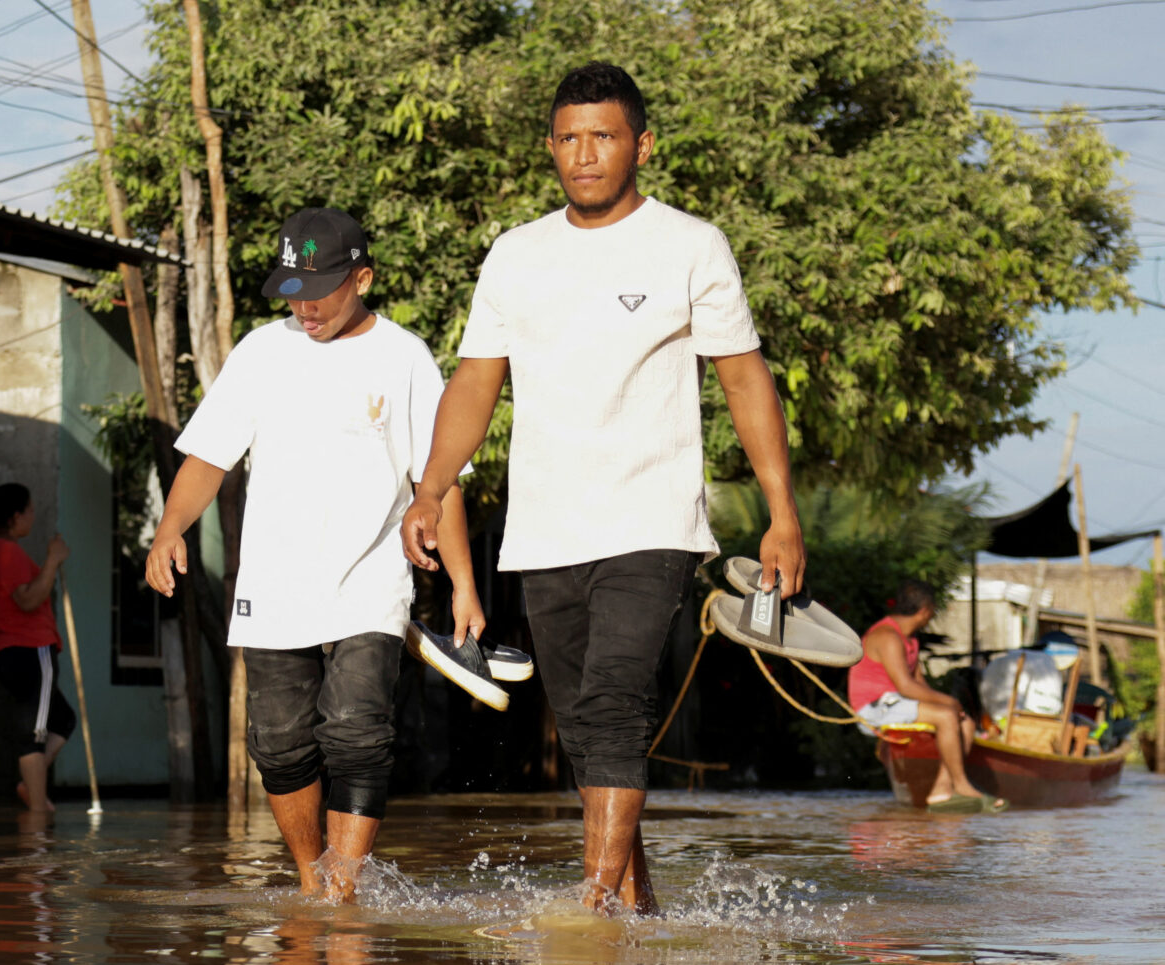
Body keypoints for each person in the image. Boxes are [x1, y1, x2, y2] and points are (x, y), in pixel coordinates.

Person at [401, 61, 806, 916]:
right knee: (586, 728)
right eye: (569, 138)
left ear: (641, 145)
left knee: (618, 700)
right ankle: (639, 910)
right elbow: (476, 382)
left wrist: (781, 513)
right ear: (551, 147)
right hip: (547, 528)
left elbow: (742, 377)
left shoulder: (691, 245)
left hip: (652, 519)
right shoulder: (516, 254)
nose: (584, 154)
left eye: (605, 136)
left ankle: (593, 909)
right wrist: (432, 486)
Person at [145, 208, 481, 903]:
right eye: (294, 286)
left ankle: (345, 888)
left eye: (321, 287)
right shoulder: (262, 352)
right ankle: (311, 878)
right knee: (279, 743)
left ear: (362, 277)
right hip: (275, 578)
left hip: (370, 576)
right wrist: (170, 527)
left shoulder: (406, 356)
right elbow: (209, 456)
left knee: (357, 729)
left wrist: (464, 586)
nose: (305, 303)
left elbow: (438, 483)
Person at [0, 483, 72, 817]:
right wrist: (53, 560)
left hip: (8, 653)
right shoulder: (7, 552)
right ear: (16, 516)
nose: (33, 516)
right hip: (32, 650)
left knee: (63, 719)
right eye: (30, 510)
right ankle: (36, 819)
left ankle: (30, 786)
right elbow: (28, 599)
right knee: (35, 731)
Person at [852, 580, 995, 806]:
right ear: (925, 610)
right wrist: (949, 703)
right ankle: (961, 784)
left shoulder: (910, 639)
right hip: (874, 707)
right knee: (947, 715)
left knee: (964, 721)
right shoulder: (887, 636)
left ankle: (942, 788)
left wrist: (950, 706)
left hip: (897, 701)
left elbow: (919, 684)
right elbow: (906, 687)